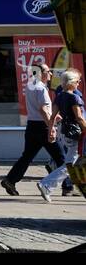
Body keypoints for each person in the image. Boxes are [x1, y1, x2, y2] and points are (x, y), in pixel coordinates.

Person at [1, 64, 66, 199]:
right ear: (41, 73)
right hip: (43, 127)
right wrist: (51, 126)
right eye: (49, 72)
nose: (51, 74)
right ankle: (67, 187)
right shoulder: (41, 88)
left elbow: (40, 109)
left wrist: (52, 115)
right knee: (62, 158)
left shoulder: (31, 86)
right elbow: (43, 110)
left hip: (32, 126)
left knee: (27, 156)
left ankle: (10, 180)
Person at [43, 69, 84, 200]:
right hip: (76, 133)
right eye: (77, 81)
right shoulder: (74, 97)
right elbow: (79, 117)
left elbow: (52, 117)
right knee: (70, 164)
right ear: (72, 82)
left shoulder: (60, 96)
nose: (79, 83)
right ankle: (47, 184)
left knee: (73, 162)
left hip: (65, 132)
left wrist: (51, 131)